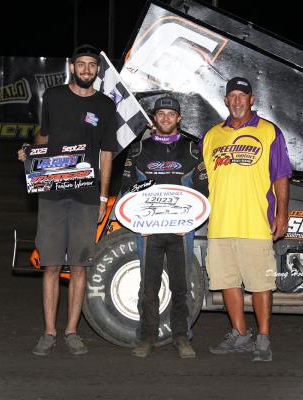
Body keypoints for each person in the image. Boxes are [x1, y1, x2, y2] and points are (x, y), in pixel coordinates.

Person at [17, 44, 118, 356]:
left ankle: (72, 331)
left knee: (79, 266)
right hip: (52, 192)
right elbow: (44, 136)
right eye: (81, 64)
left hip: (87, 196)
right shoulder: (55, 97)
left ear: (98, 70)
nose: (87, 69)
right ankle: (49, 332)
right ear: (73, 67)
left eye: (92, 65)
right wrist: (30, 152)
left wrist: (103, 195)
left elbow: (107, 153)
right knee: (50, 264)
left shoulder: (104, 105)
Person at [201, 77, 292, 362]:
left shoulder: (268, 131)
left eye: (244, 96)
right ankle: (240, 334)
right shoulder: (211, 135)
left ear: (252, 100)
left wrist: (282, 213)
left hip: (255, 222)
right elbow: (202, 181)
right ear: (226, 100)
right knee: (227, 281)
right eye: (233, 96)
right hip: (220, 224)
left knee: (260, 284)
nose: (238, 101)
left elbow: (281, 176)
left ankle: (263, 338)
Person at [121, 96, 208, 358]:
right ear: (154, 119)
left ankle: (181, 337)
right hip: (148, 231)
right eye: (161, 114)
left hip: (182, 231)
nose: (166, 118)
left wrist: (190, 221)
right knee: (148, 287)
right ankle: (146, 337)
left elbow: (204, 190)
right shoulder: (138, 151)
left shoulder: (192, 150)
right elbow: (126, 190)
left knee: (181, 286)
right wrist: (139, 220)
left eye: (171, 114)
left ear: (179, 118)